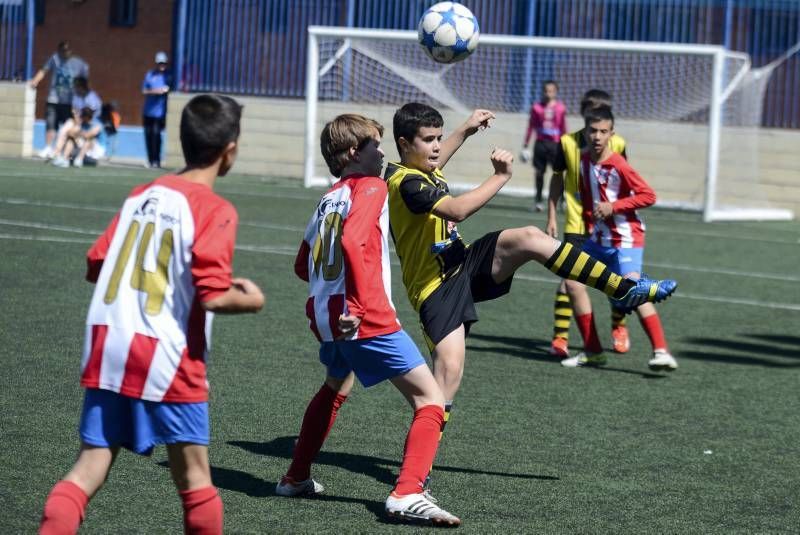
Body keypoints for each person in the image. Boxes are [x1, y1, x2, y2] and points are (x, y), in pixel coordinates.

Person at [384, 102, 677, 494]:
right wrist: (501, 177)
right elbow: (456, 208)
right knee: (445, 383)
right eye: (428, 140)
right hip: (435, 291)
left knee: (529, 237)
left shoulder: (421, 166)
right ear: (404, 144)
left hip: (463, 264)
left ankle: (623, 289)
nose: (437, 147)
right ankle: (417, 472)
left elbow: (440, 156)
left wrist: (467, 129)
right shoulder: (404, 181)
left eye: (439, 138)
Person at [38, 94, 265, 535]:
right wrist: (253, 299)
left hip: (108, 342)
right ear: (230, 150)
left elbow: (96, 264)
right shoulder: (214, 208)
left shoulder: (142, 194)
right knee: (196, 481)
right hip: (164, 353)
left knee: (87, 469)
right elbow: (215, 295)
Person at [276, 114, 460, 526]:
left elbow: (303, 265)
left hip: (326, 318)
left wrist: (337, 298)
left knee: (335, 384)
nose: (382, 152)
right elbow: (353, 240)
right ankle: (408, 492)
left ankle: (296, 476)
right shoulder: (373, 186)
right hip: (362, 317)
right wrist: (357, 307)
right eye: (377, 144)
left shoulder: (329, 197)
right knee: (429, 399)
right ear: (356, 151)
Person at [563, 105, 677, 371]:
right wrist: (593, 220)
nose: (598, 137)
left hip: (626, 240)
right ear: (585, 132)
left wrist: (614, 207)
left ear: (612, 133)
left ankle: (661, 352)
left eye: (604, 131)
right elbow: (591, 200)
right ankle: (593, 351)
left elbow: (648, 195)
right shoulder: (583, 160)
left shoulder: (619, 165)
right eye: (593, 131)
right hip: (598, 240)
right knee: (571, 281)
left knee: (632, 290)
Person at [546, 89, 631, 362]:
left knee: (615, 281)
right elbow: (557, 179)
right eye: (591, 112)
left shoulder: (618, 143)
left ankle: (619, 326)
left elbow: (624, 181)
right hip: (576, 224)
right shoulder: (567, 143)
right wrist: (550, 214)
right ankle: (561, 337)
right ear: (583, 113)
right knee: (569, 280)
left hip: (609, 226)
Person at [29, 41, 89, 159]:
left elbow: (84, 80)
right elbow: (44, 70)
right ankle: (48, 147)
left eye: (66, 50)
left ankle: (67, 150)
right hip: (53, 98)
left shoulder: (79, 63)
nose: (64, 53)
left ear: (71, 51)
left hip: (69, 102)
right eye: (62, 50)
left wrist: (82, 97)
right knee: (51, 124)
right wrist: (35, 81)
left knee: (68, 126)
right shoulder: (55, 59)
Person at [520, 80, 567, 211]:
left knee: (558, 173)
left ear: (555, 92)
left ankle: (562, 201)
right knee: (539, 173)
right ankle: (538, 201)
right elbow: (531, 126)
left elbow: (563, 127)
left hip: (555, 144)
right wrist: (526, 143)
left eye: (551, 91)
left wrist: (566, 144)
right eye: (546, 90)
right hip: (540, 144)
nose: (548, 93)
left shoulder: (560, 108)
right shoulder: (536, 107)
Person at [142, 51, 172, 168]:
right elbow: (144, 90)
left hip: (159, 113)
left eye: (163, 63)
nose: (162, 66)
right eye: (160, 63)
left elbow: (172, 89)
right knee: (148, 135)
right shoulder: (150, 74)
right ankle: (150, 160)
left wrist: (164, 91)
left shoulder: (169, 76)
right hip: (147, 111)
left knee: (156, 135)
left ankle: (156, 160)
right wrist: (156, 91)